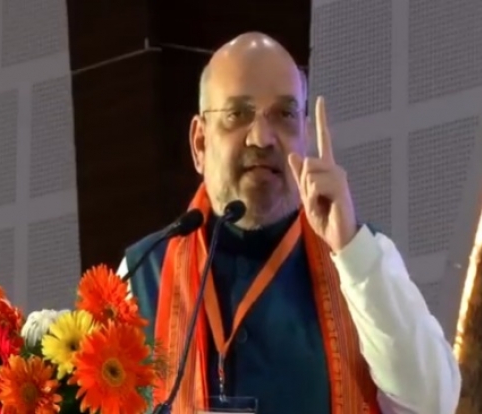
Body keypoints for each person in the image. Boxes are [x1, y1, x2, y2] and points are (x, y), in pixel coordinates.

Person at [117, 32, 461, 414]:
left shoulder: (362, 257)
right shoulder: (141, 273)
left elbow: (432, 403)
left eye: (284, 115)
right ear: (200, 143)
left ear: (305, 137)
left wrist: (351, 250)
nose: (262, 138)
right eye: (237, 114)